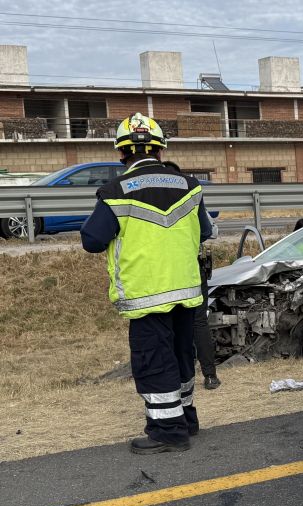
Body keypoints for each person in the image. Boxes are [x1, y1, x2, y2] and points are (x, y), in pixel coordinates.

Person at [81, 113, 213, 454]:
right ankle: (186, 419)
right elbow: (207, 231)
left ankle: (168, 433)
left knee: (154, 362)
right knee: (183, 356)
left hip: (146, 295)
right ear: (159, 149)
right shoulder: (189, 185)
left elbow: (93, 240)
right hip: (186, 291)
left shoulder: (114, 192)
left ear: (122, 153)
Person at [162, 161, 221, 390]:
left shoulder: (148, 199)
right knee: (198, 321)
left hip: (160, 271)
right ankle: (210, 375)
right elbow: (209, 231)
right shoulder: (189, 197)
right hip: (191, 268)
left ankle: (173, 375)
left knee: (166, 322)